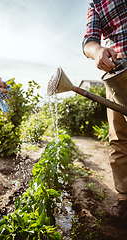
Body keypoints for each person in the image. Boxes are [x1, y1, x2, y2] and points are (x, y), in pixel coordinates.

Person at [82, 0, 127, 219]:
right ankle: (125, 198)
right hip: (117, 75)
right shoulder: (97, 3)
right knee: (119, 139)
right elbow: (89, 41)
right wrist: (97, 50)